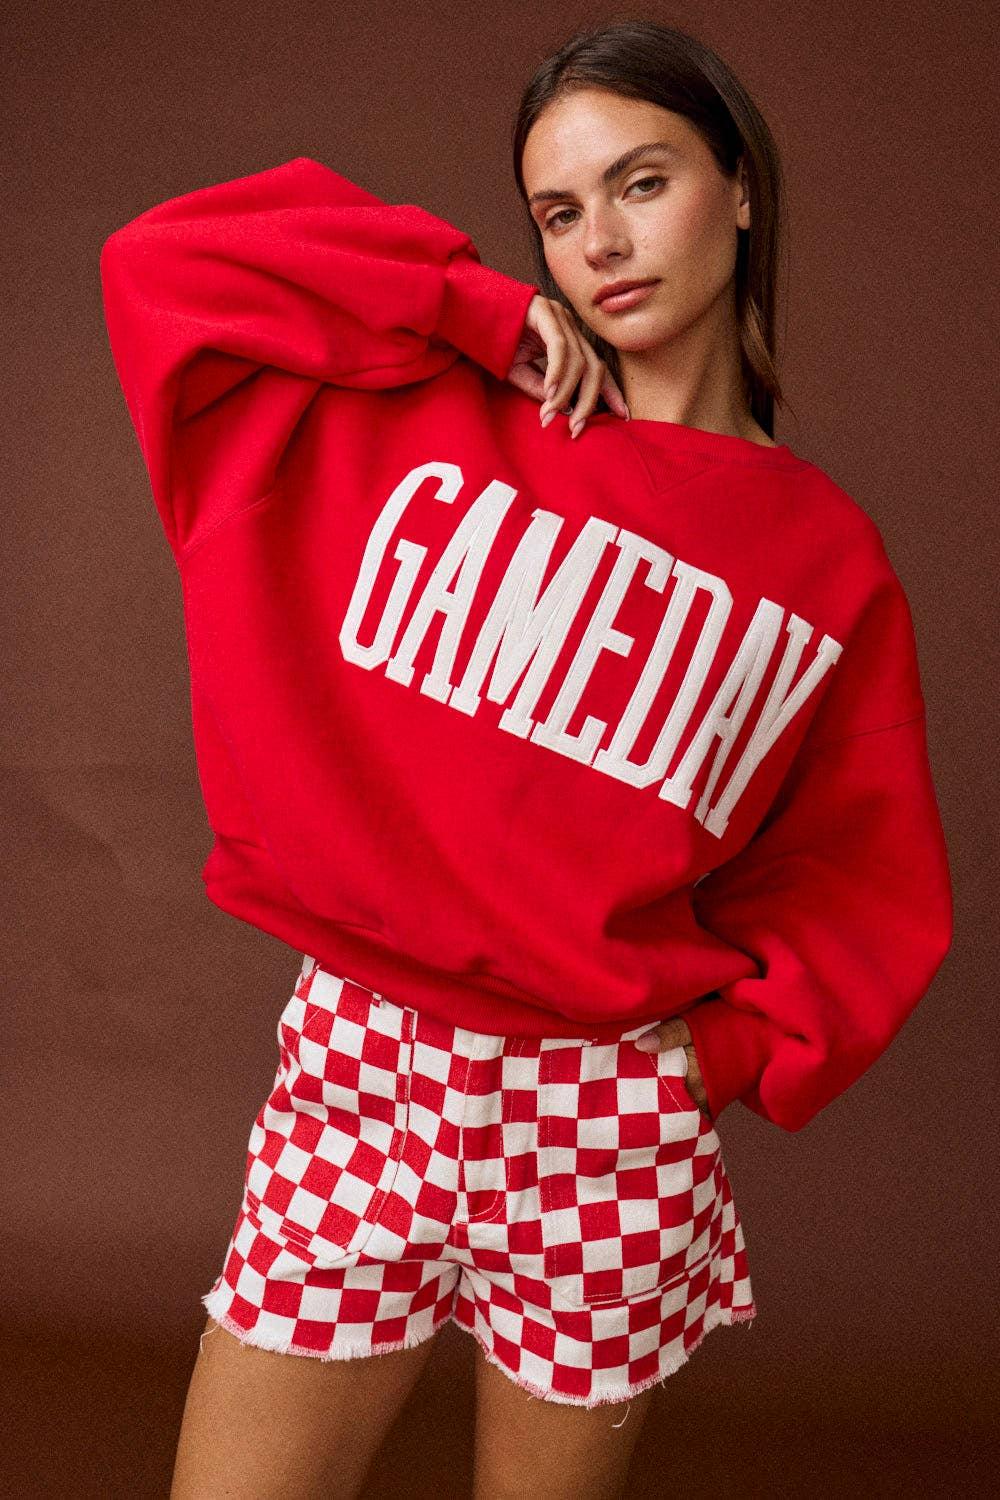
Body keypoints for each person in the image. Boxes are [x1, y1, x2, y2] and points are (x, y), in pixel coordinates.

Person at [99, 18, 952, 1500]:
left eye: (643, 183)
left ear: (741, 189)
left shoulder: (825, 560)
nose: (600, 244)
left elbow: (861, 875)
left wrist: (719, 1060)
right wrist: (469, 307)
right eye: (559, 212)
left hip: (606, 1117)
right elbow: (165, 263)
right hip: (366, 1068)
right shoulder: (438, 414)